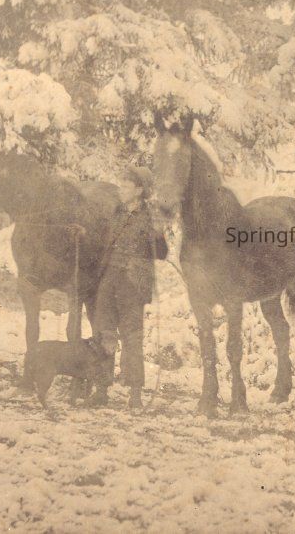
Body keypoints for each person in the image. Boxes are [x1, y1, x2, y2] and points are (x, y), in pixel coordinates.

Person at [88, 165, 168, 409]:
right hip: (108, 279)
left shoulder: (150, 217)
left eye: (126, 185)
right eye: (121, 184)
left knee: (132, 338)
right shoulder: (118, 212)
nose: (120, 189)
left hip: (132, 283)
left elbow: (162, 254)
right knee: (103, 333)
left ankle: (135, 395)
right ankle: (101, 389)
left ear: (139, 190)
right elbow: (104, 242)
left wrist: (159, 235)